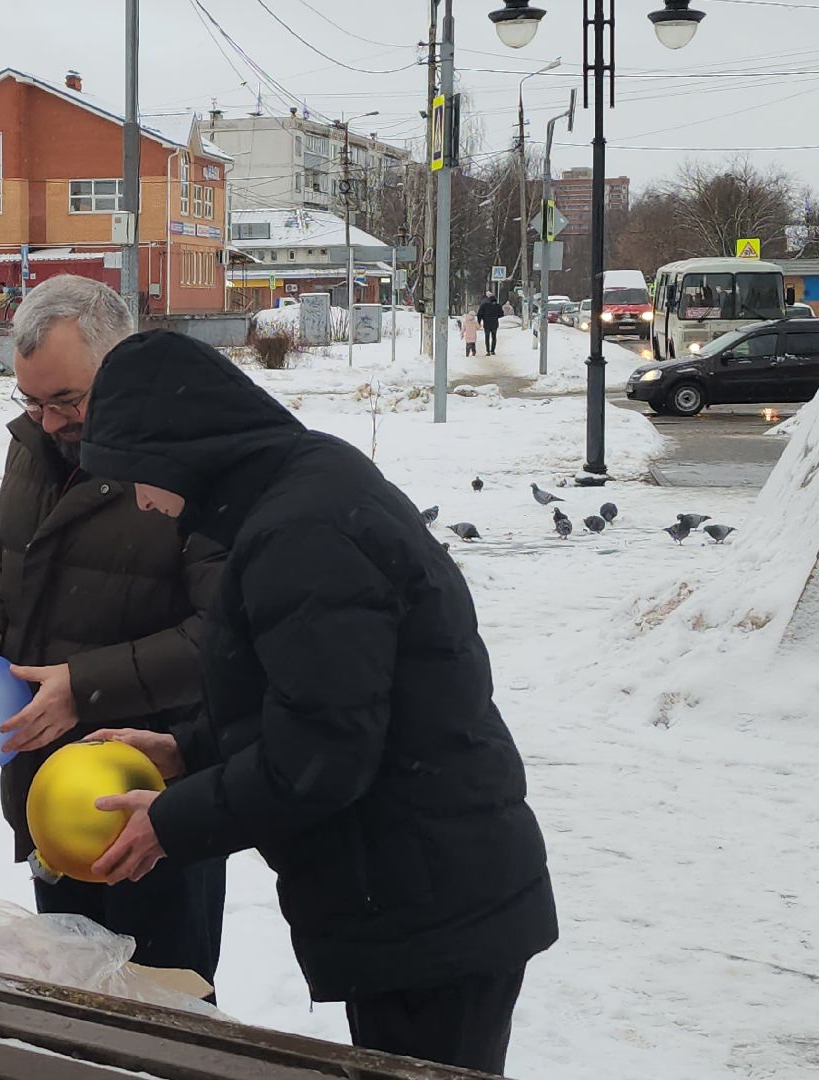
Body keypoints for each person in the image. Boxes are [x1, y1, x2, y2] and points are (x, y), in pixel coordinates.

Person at [80, 331, 558, 1074]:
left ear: (179, 446)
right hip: (420, 885)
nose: (141, 501)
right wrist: (187, 750)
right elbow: (317, 696)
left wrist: (173, 822)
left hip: (427, 901)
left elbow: (324, 755)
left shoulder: (301, 530)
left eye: (136, 474)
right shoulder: (301, 489)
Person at [0, 275, 228, 986]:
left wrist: (84, 689)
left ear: (124, 363)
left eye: (67, 400)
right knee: (70, 999)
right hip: (44, 793)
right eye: (30, 399)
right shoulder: (35, 445)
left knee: (163, 1007)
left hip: (149, 793)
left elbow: (224, 636)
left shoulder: (191, 460)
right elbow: (3, 553)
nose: (49, 420)